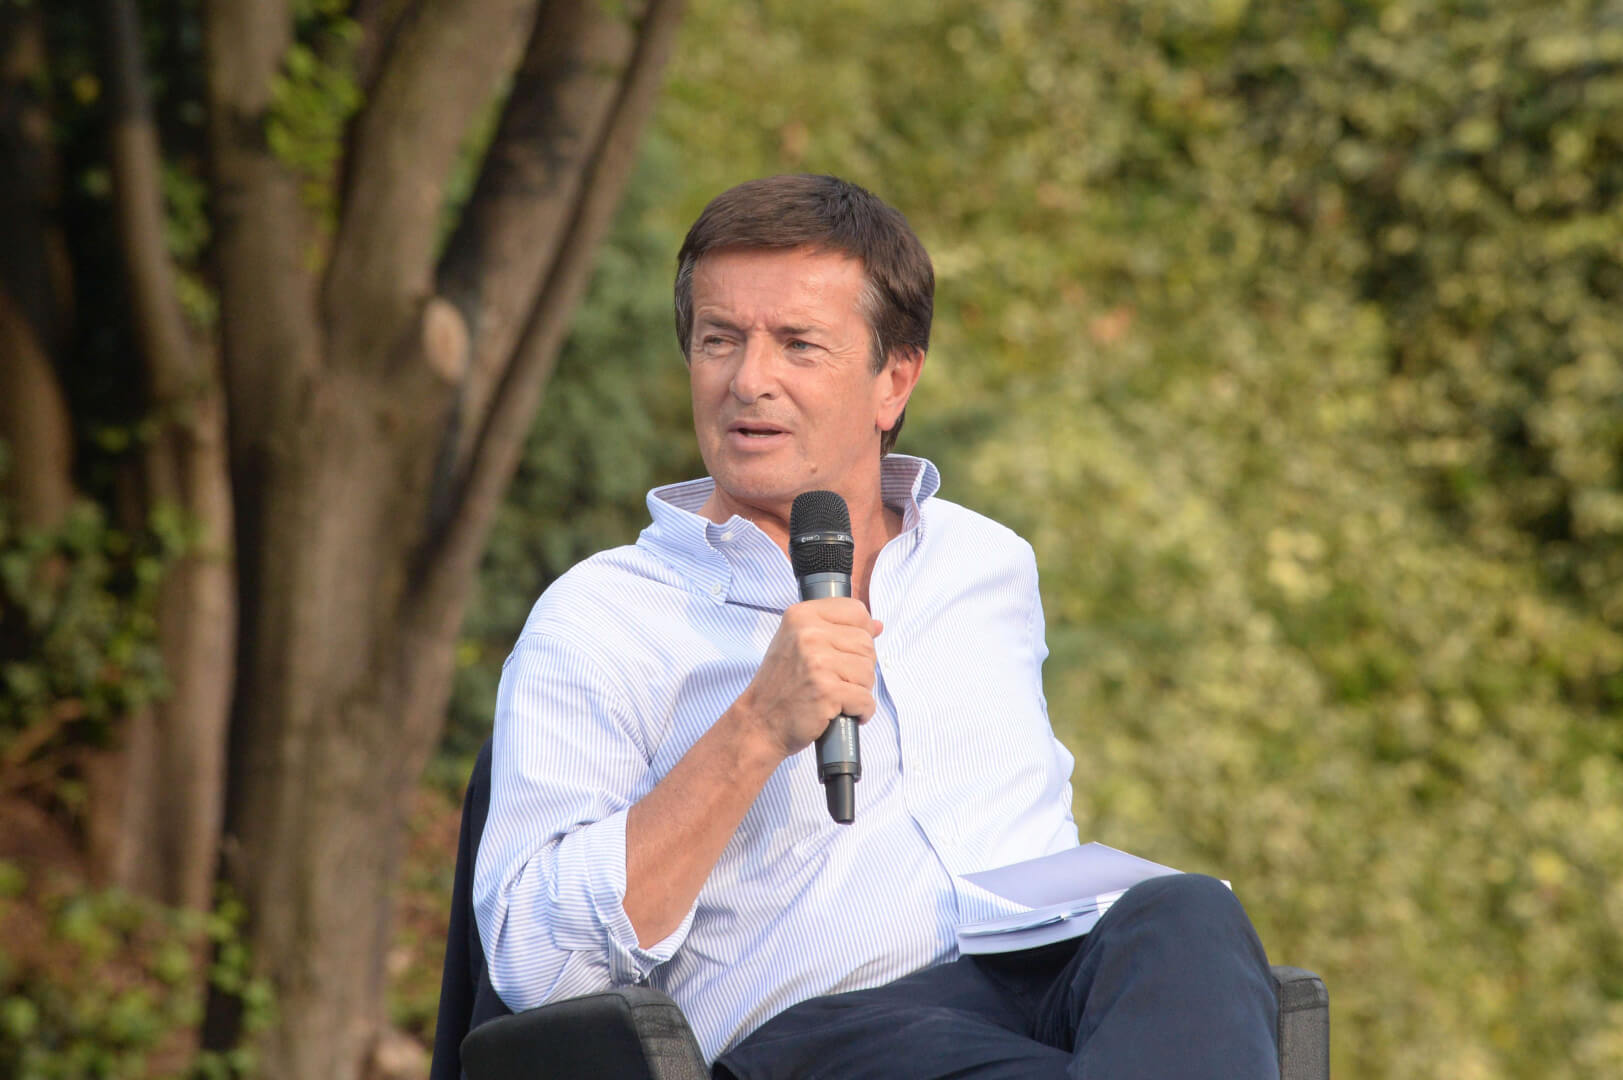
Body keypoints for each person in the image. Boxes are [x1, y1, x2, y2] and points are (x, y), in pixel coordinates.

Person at [472, 174, 1279, 1078]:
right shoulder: (604, 616)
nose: (749, 380)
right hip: (821, 1038)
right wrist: (753, 730)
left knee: (1187, 912)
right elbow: (533, 961)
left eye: (798, 344)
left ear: (893, 380)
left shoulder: (987, 563)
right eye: (718, 340)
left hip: (1045, 975)